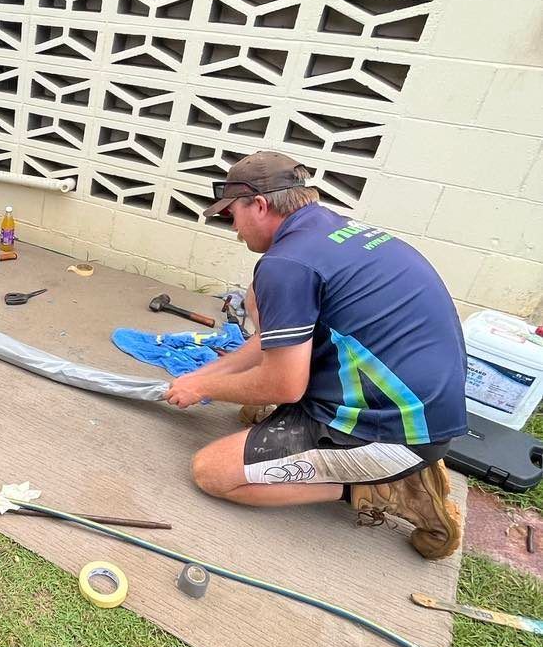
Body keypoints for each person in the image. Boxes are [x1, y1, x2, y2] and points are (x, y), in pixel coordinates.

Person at [163, 151, 466, 560]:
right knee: (261, 304)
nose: (233, 229)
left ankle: (377, 487)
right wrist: (206, 375)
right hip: (423, 411)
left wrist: (207, 388)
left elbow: (285, 385)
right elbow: (275, 340)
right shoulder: (332, 231)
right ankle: (384, 463)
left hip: (391, 431)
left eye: (232, 214)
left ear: (260, 204)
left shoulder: (285, 263)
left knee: (213, 472)